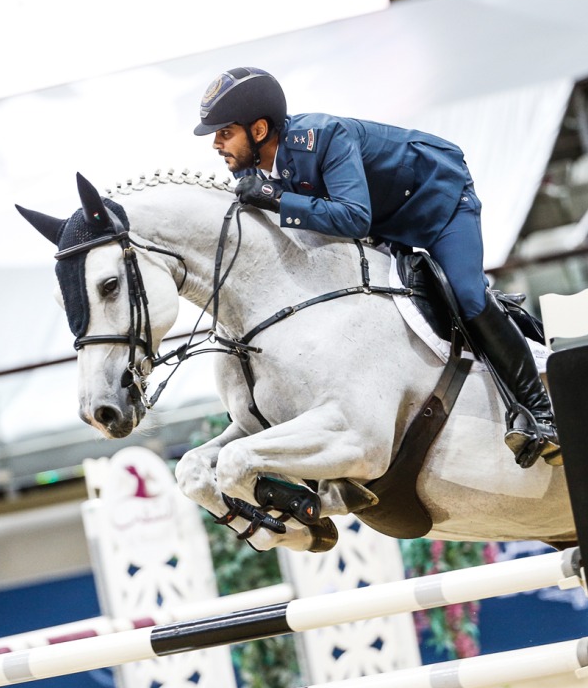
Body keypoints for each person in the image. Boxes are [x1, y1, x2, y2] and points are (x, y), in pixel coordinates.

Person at [193, 66, 561, 469]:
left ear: (259, 129)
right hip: (386, 224)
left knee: (466, 293)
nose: (216, 143)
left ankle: (541, 413)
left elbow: (354, 217)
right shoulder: (250, 167)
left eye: (224, 132)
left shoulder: (324, 137)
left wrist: (276, 199)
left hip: (437, 204)